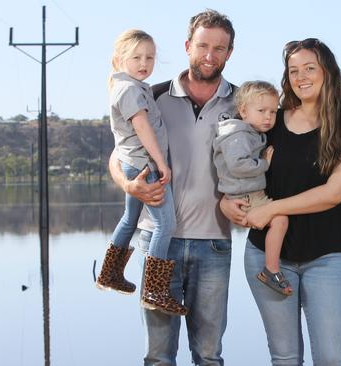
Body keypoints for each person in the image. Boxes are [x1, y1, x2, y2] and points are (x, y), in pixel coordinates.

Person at [108, 9, 243, 366]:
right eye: (202, 45)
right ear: (187, 46)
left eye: (219, 48)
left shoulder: (244, 104)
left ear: (230, 52)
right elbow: (119, 154)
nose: (210, 55)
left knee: (210, 355)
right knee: (158, 357)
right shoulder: (150, 95)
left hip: (214, 244)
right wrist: (128, 184)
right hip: (157, 242)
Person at [242, 38, 341, 366]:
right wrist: (226, 205)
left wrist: (272, 208)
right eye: (293, 70)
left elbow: (334, 193)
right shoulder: (269, 123)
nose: (301, 76)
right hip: (268, 259)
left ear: (328, 72)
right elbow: (238, 172)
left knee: (330, 358)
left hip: (327, 259)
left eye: (309, 68)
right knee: (285, 358)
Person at [96, 29, 185, 316]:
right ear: (120, 59)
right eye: (136, 57)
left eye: (149, 57)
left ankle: (109, 275)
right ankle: (155, 291)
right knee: (165, 225)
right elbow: (143, 128)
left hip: (134, 164)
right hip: (145, 165)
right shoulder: (131, 90)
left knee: (130, 218)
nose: (144, 62)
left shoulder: (130, 85)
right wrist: (161, 162)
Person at [212, 81, 292, 296]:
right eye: (261, 111)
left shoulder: (248, 132)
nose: (268, 117)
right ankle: (271, 270)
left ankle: (271, 267)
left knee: (279, 219)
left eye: (273, 112)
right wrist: (264, 163)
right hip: (245, 194)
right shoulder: (237, 135)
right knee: (280, 220)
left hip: (247, 191)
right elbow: (238, 165)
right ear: (243, 111)